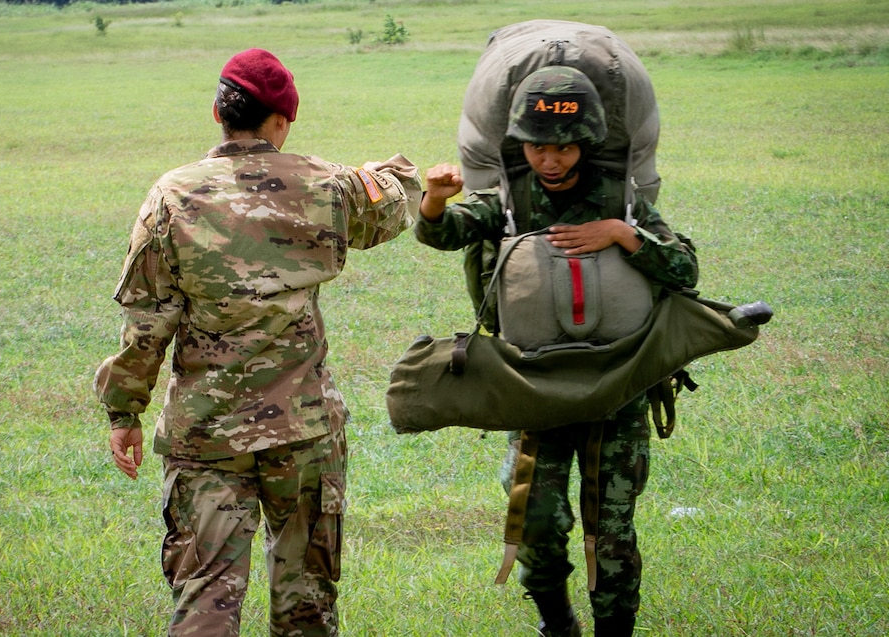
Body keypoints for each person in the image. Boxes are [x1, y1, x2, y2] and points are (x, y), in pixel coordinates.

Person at [95, 48, 421, 636]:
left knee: (206, 598)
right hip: (302, 431)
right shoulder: (324, 184)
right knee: (306, 606)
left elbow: (149, 322)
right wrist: (392, 172)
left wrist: (124, 411)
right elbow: (395, 206)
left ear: (218, 112)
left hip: (206, 434)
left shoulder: (173, 194)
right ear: (282, 120)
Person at [414, 67, 698, 637]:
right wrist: (435, 202)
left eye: (565, 147)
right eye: (538, 146)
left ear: (585, 143)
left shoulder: (621, 198)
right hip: (533, 387)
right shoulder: (511, 197)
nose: (551, 160)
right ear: (520, 145)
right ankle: (557, 622)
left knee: (612, 532)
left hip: (615, 386)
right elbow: (446, 234)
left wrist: (622, 233)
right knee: (536, 523)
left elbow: (684, 267)